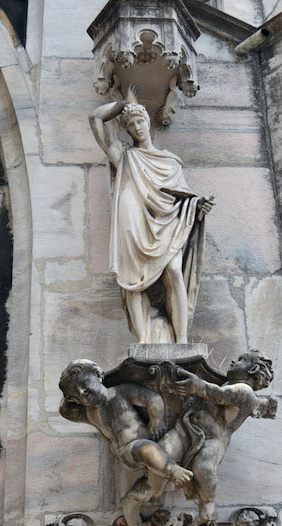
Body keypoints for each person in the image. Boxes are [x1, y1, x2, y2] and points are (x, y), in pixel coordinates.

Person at [89, 85, 214, 343]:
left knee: (174, 272)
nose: (137, 128)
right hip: (132, 212)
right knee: (132, 278)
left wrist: (199, 206)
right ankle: (144, 341)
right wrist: (124, 103)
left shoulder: (171, 161)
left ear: (148, 122)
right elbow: (95, 119)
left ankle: (182, 341)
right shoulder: (124, 156)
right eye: (131, 125)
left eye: (140, 121)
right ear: (127, 130)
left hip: (167, 219)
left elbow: (183, 197)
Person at [58, 359, 193, 504]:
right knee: (148, 453)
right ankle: (165, 479)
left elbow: (153, 399)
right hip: (124, 452)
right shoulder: (88, 413)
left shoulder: (120, 392)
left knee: (148, 451)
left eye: (84, 384)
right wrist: (68, 391)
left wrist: (156, 423)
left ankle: (173, 473)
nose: (82, 392)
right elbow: (65, 410)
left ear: (98, 375)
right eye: (77, 394)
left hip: (138, 443)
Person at [173, 350, 277, 524]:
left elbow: (220, 396)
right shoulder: (230, 384)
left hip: (214, 439)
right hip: (194, 431)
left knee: (204, 466)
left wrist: (198, 386)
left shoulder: (244, 391)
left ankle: (208, 503)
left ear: (253, 369)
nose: (233, 361)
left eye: (241, 360)